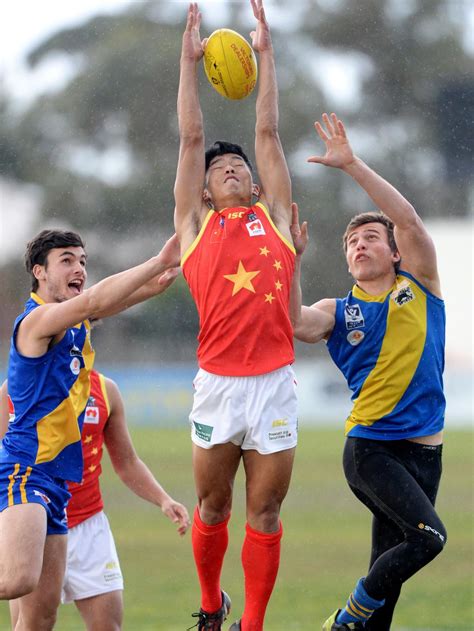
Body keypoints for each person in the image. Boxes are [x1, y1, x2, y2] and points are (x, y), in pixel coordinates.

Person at [291, 113, 447, 631]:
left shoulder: (420, 283)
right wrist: (290, 262)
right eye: (351, 243)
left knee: (392, 592)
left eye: (370, 237)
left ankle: (363, 620)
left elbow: (410, 220)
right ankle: (346, 615)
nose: (358, 245)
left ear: (396, 252)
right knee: (429, 539)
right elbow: (295, 322)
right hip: (371, 449)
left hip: (427, 456)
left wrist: (352, 164)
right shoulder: (339, 310)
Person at [175, 2, 298, 629]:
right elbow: (192, 138)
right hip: (218, 384)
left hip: (274, 381)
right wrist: (188, 63)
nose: (233, 167)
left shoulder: (274, 220)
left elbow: (269, 135)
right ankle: (208, 606)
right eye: (221, 169)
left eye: (239, 165)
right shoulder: (196, 227)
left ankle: (251, 624)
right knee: (213, 504)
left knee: (266, 513)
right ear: (203, 190)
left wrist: (266, 55)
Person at [0, 228, 179, 631]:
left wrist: (153, 287)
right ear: (39, 273)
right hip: (27, 468)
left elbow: (107, 304)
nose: (79, 267)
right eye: (66, 260)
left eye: (82, 260)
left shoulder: (74, 320)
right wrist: (158, 260)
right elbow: (97, 300)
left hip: (58, 481)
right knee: (17, 580)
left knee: (40, 619)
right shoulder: (37, 320)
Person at [1, 369, 190, 631]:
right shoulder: (16, 386)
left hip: (89, 526)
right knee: (33, 626)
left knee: (108, 626)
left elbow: (127, 463)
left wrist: (163, 500)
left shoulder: (105, 389)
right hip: (35, 524)